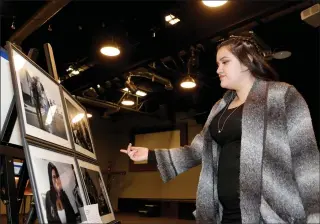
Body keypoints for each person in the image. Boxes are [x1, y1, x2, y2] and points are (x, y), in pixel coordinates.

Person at [120, 36, 320, 224]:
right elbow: (197, 150)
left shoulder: (281, 95)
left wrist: (315, 215)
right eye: (217, 64)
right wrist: (150, 155)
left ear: (247, 61)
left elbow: (306, 157)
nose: (218, 70)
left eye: (225, 62)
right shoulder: (220, 107)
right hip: (225, 213)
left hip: (270, 215)